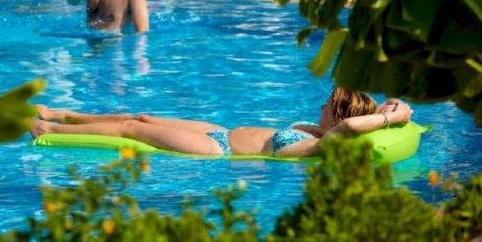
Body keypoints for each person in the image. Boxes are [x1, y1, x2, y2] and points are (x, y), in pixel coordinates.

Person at [31, 88, 413, 158]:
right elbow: (381, 109)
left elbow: (351, 128)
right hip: (219, 129)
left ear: (340, 116)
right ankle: (62, 114)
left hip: (218, 148)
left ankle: (49, 130)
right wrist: (393, 106)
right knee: (142, 116)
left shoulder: (324, 142)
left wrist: (391, 117)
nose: (321, 105)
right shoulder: (318, 131)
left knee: (133, 130)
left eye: (328, 105)